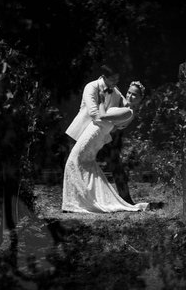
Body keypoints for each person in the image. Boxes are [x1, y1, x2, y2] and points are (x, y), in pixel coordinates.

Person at [62, 80, 148, 213]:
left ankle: (77, 201)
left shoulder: (128, 112)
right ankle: (79, 200)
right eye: (129, 92)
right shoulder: (126, 106)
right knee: (82, 164)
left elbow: (103, 115)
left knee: (74, 162)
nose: (130, 96)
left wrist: (101, 100)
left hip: (96, 132)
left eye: (134, 95)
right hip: (98, 132)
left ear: (141, 98)